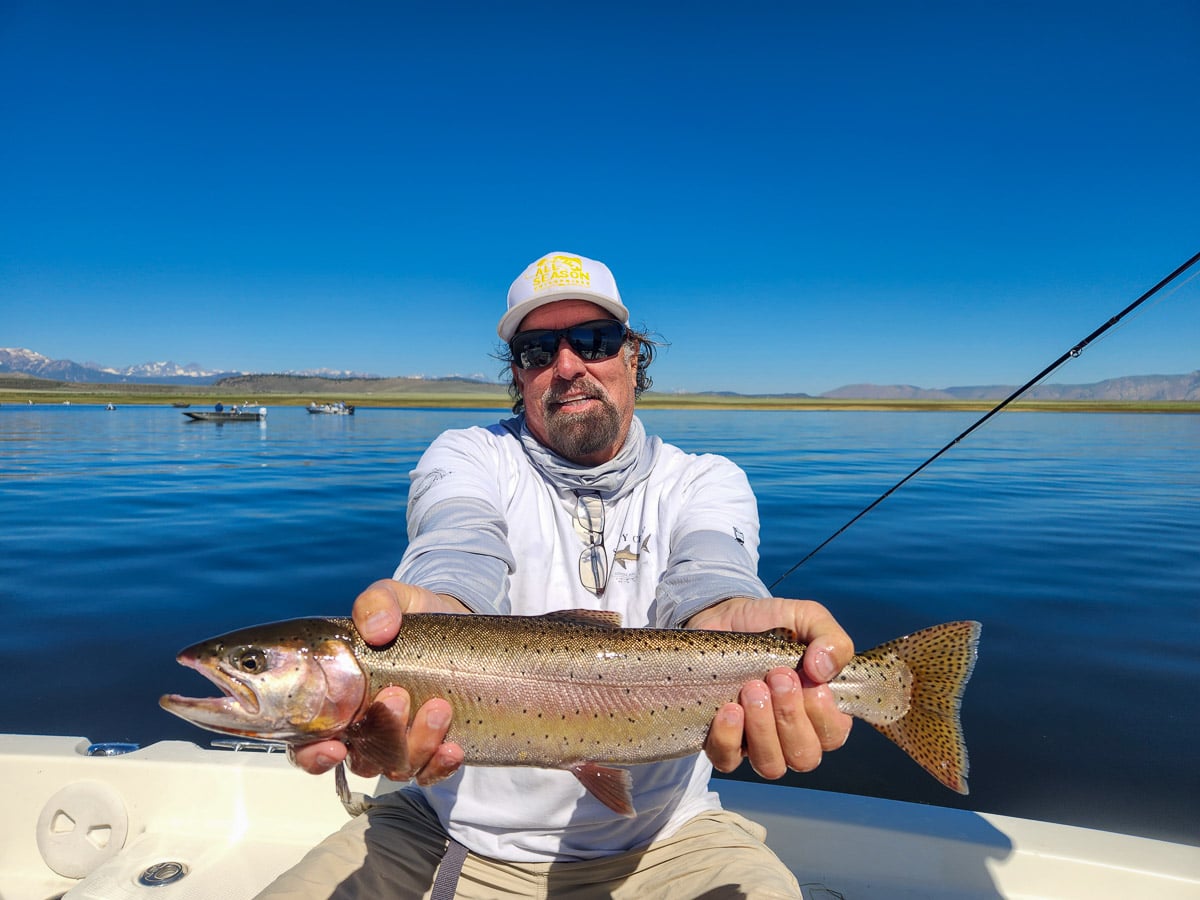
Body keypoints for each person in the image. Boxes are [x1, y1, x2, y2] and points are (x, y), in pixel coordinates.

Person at [261, 251, 854, 899]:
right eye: (537, 350)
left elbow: (710, 571)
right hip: (443, 828)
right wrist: (436, 616)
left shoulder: (706, 480)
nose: (566, 366)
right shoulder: (469, 457)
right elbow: (458, 544)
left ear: (634, 356)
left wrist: (729, 614)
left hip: (669, 841)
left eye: (593, 342)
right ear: (517, 374)